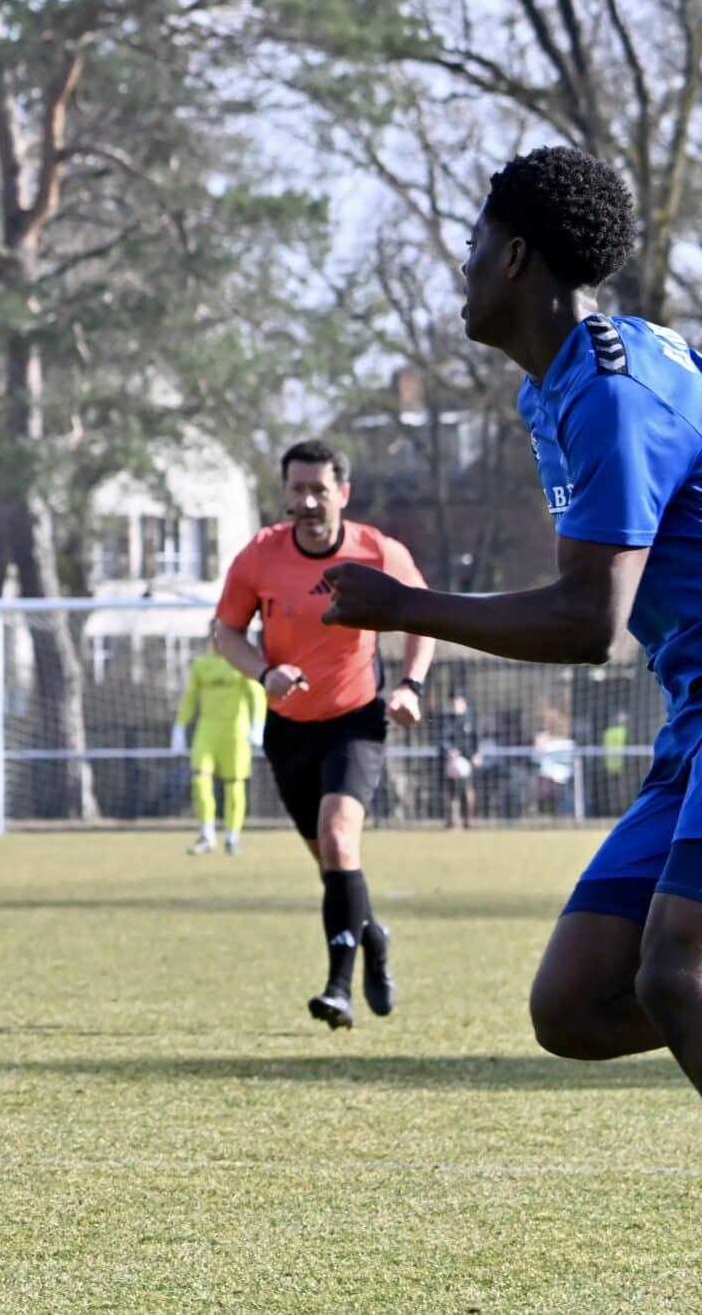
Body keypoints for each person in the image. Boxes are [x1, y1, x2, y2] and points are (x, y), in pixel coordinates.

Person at [323, 146, 702, 1095]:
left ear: (518, 258)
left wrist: (403, 606)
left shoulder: (611, 390)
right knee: (572, 1006)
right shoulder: (564, 383)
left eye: (474, 240)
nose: (464, 261)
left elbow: (590, 626)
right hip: (692, 714)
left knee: (675, 971)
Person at [214, 439, 435, 1029]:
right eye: (296, 489)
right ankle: (373, 935)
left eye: (319, 489)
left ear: (343, 492)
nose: (307, 501)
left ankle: (338, 989)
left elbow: (425, 615)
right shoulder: (259, 556)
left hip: (357, 721)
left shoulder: (376, 551)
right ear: (284, 493)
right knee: (333, 867)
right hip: (288, 731)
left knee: (340, 839)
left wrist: (410, 684)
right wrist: (264, 671)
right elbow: (225, 633)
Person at [172, 628, 267, 855]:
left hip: (235, 732)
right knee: (199, 779)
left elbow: (256, 694)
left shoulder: (241, 664)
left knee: (234, 786)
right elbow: (190, 698)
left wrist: (258, 725)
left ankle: (232, 836)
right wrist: (179, 726)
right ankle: (207, 833)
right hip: (207, 730)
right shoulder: (201, 665)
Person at [436, 690, 482, 828]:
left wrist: (477, 754)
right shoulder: (444, 720)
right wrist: (449, 751)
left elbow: (477, 739)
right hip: (448, 761)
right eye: (453, 701)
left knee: (468, 789)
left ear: (464, 702)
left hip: (466, 760)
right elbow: (440, 739)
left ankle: (469, 819)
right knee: (448, 792)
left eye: (458, 701)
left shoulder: (470, 718)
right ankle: (449, 820)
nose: (456, 704)